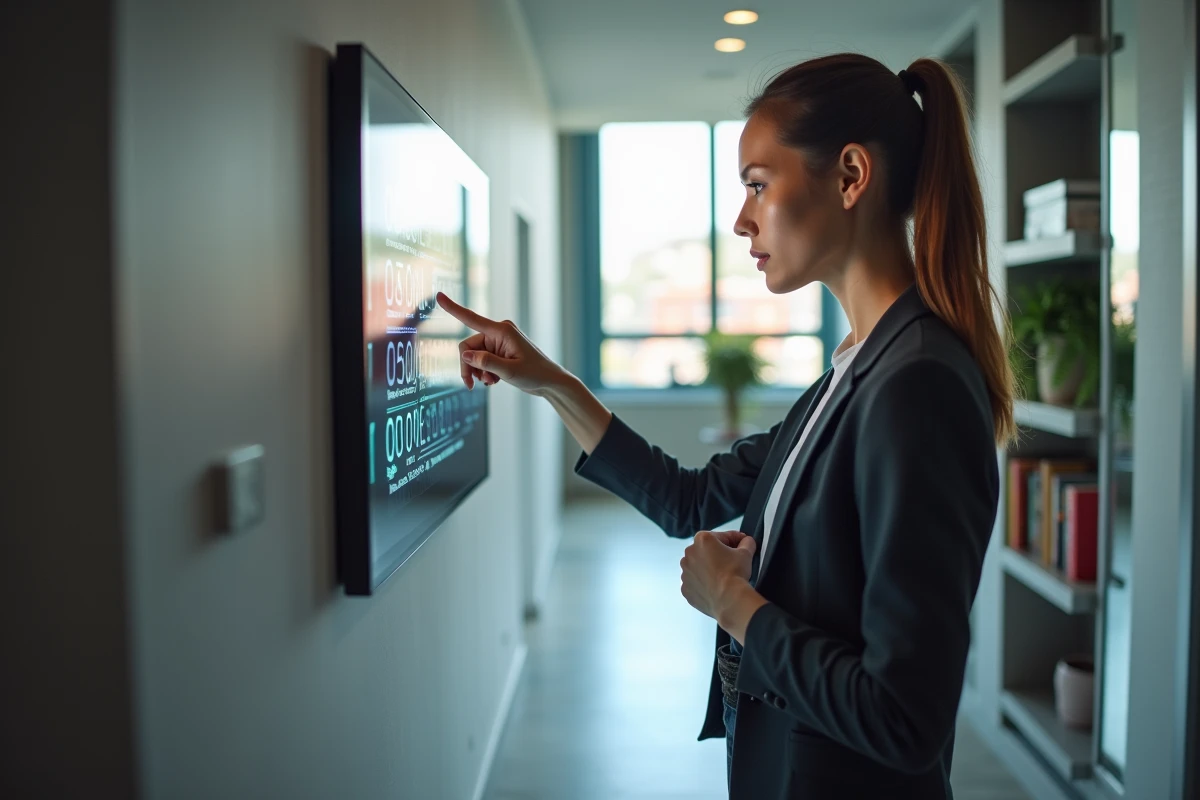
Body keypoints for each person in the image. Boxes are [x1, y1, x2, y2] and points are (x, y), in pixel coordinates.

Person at [436, 52, 1013, 800]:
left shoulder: (918, 384)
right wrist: (552, 383)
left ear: (849, 176)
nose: (741, 220)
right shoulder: (855, 371)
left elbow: (905, 717)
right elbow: (689, 498)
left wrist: (736, 606)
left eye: (757, 186)